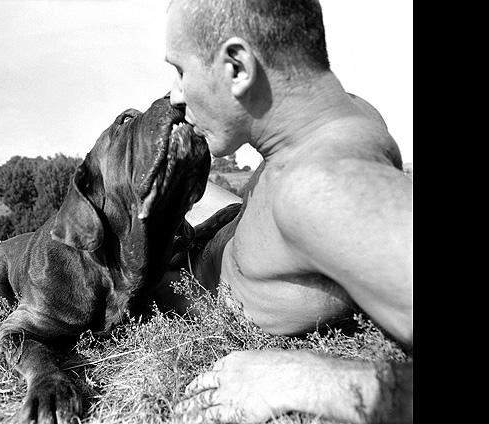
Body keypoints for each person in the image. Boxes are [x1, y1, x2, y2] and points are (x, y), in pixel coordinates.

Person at [161, 0, 412, 423]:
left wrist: (300, 377)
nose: (175, 95)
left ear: (238, 66)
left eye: (181, 71)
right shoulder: (336, 117)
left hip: (193, 280)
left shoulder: (326, 188)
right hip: (222, 232)